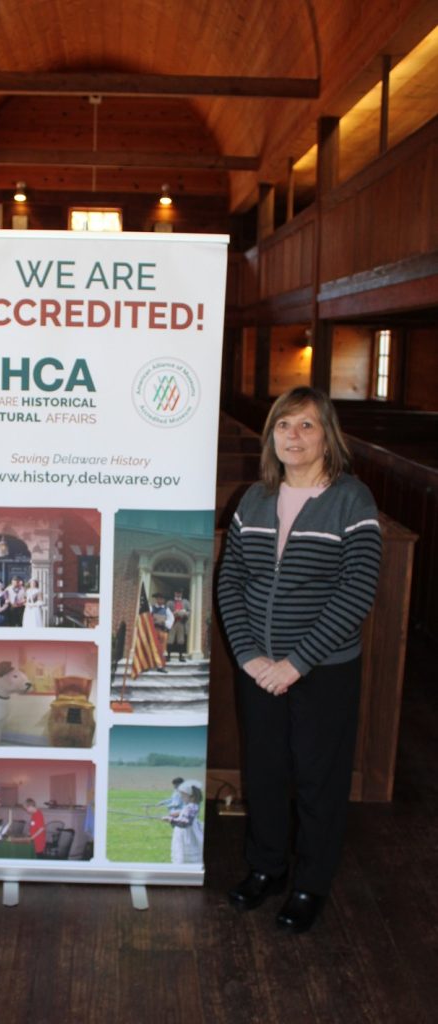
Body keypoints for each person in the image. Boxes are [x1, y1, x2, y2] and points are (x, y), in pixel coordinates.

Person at [218, 386, 381, 933]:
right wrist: (249, 656)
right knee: (264, 772)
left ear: (327, 435)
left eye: (306, 426)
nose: (293, 436)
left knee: (318, 779)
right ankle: (266, 869)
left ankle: (310, 883)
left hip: (324, 670)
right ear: (271, 436)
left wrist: (297, 662)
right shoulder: (256, 498)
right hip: (258, 668)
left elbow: (358, 588)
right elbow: (231, 581)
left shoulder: (351, 499)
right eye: (284, 425)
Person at [163, 780, 204, 864]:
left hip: (187, 834)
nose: (181, 798)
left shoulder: (191, 807)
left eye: (183, 796)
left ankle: (185, 865)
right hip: (185, 832)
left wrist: (170, 819)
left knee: (184, 850)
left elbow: (185, 823)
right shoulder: (191, 806)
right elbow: (185, 812)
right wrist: (177, 813)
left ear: (192, 797)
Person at [150, 592, 174, 672]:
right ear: (156, 599)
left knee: (162, 649)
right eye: (159, 598)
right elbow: (146, 617)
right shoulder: (151, 608)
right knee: (152, 647)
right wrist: (152, 620)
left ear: (164, 600)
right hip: (154, 631)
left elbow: (171, 619)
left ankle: (160, 666)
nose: (160, 600)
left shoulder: (166, 609)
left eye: (162, 599)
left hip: (163, 631)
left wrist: (165, 623)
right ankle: (150, 664)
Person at [166, 590, 190, 662]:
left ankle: (181, 656)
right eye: (177, 593)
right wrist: (173, 613)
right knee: (170, 639)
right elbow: (166, 611)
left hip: (181, 623)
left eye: (179, 593)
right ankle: (168, 656)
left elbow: (189, 611)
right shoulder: (170, 602)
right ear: (174, 593)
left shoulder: (186, 602)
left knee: (181, 640)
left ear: (181, 594)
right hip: (173, 623)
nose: (178, 594)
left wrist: (185, 613)